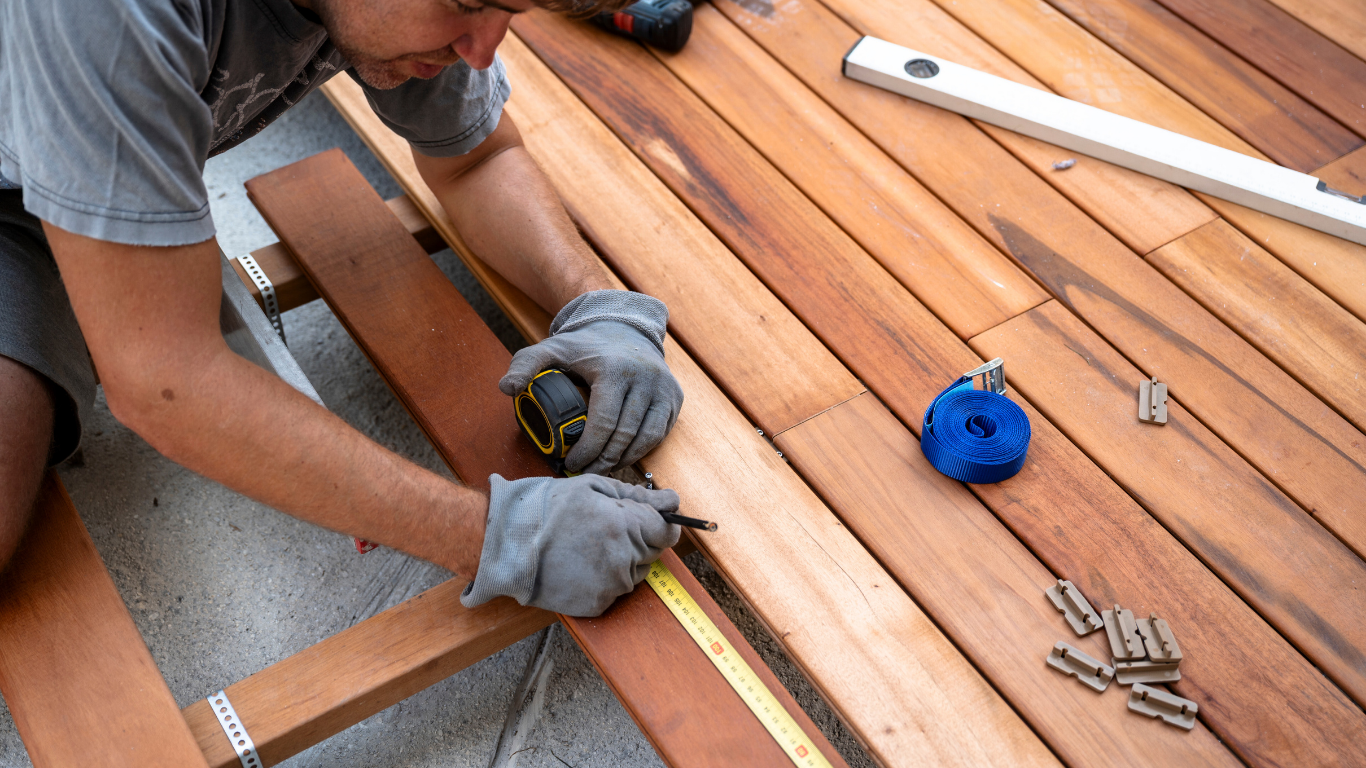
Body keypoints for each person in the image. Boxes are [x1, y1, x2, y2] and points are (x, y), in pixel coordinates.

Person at [0, 0, 686, 618]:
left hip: (38, 169)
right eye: (467, 4)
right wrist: (490, 538)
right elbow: (163, 382)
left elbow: (475, 163)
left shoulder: (401, 19)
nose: (481, 49)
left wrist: (600, 307)